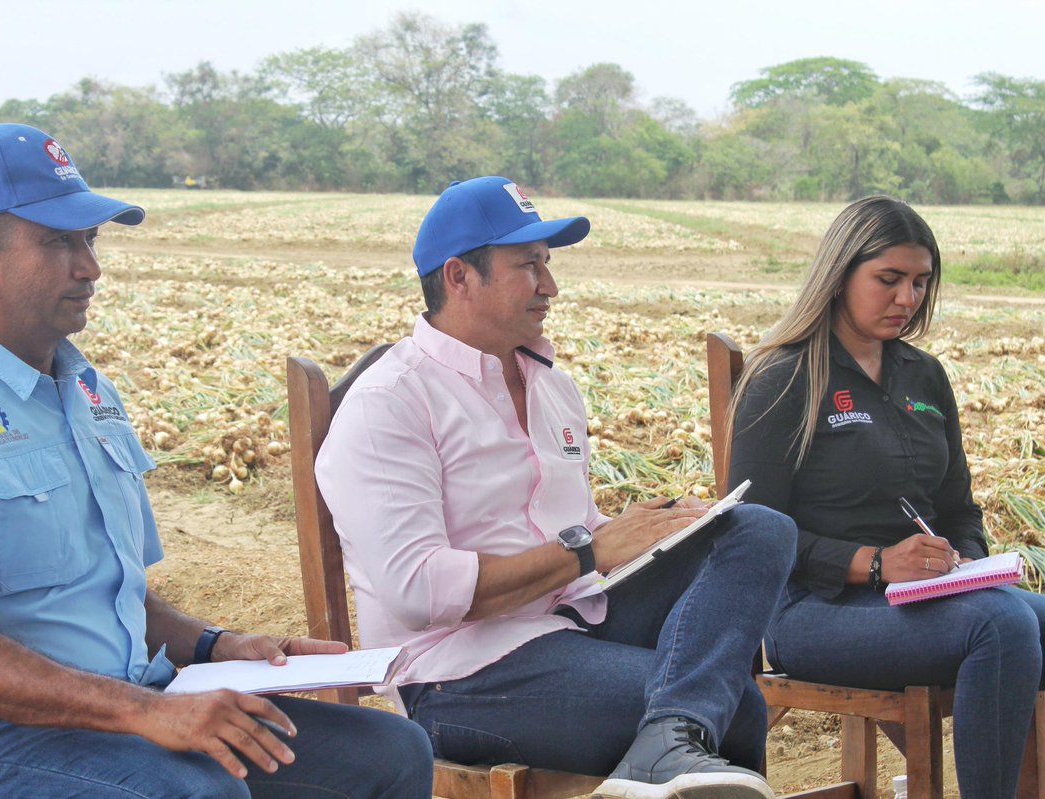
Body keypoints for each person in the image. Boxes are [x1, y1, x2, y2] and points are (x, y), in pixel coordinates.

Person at [0, 123, 433, 799]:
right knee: (193, 791)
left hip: (115, 704)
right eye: (59, 242)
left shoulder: (86, 391)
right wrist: (153, 713)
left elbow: (111, 592)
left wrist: (218, 646)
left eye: (89, 239)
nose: (90, 266)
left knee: (389, 752)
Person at [315, 176, 797, 799]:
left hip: (570, 620)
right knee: (736, 708)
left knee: (758, 529)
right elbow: (416, 591)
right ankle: (674, 738)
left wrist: (638, 530)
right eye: (528, 266)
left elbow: (570, 530)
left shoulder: (552, 386)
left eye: (547, 264)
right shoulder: (390, 401)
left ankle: (669, 737)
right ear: (458, 276)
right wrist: (589, 549)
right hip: (459, 674)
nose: (550, 286)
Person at [727, 196, 1045, 799]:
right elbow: (747, 530)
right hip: (813, 610)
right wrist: (872, 563)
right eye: (889, 280)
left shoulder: (923, 375)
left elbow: (958, 506)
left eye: (921, 282)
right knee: (1001, 626)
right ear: (840, 275)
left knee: (1024, 616)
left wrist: (969, 559)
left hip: (925, 597)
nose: (908, 299)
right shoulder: (787, 378)